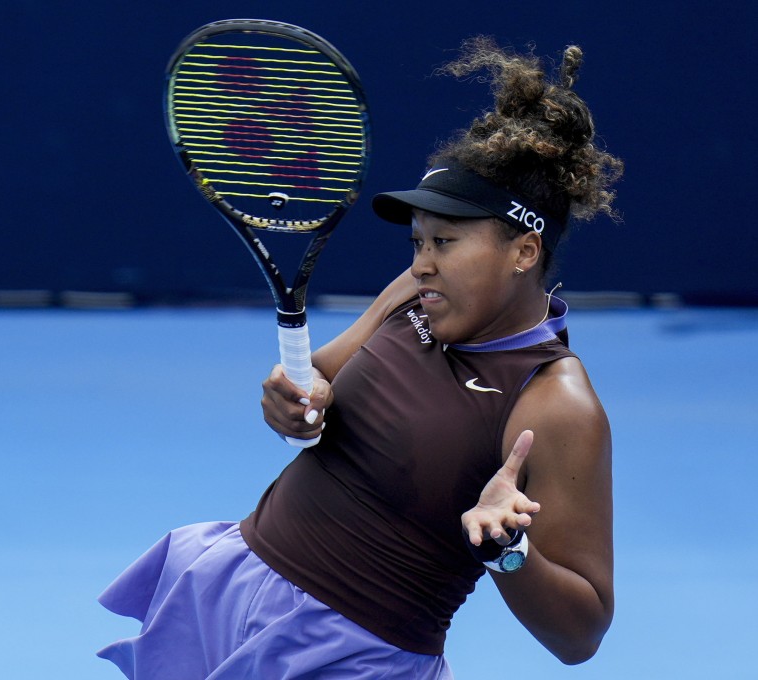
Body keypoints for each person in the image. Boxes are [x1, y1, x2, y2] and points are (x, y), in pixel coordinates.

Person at [97, 36, 623, 679]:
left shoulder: (556, 405)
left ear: (523, 251)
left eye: (446, 242)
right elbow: (319, 378)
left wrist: (505, 548)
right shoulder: (418, 293)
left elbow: (582, 634)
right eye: (418, 241)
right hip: (233, 586)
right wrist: (293, 399)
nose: (422, 263)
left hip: (349, 657)